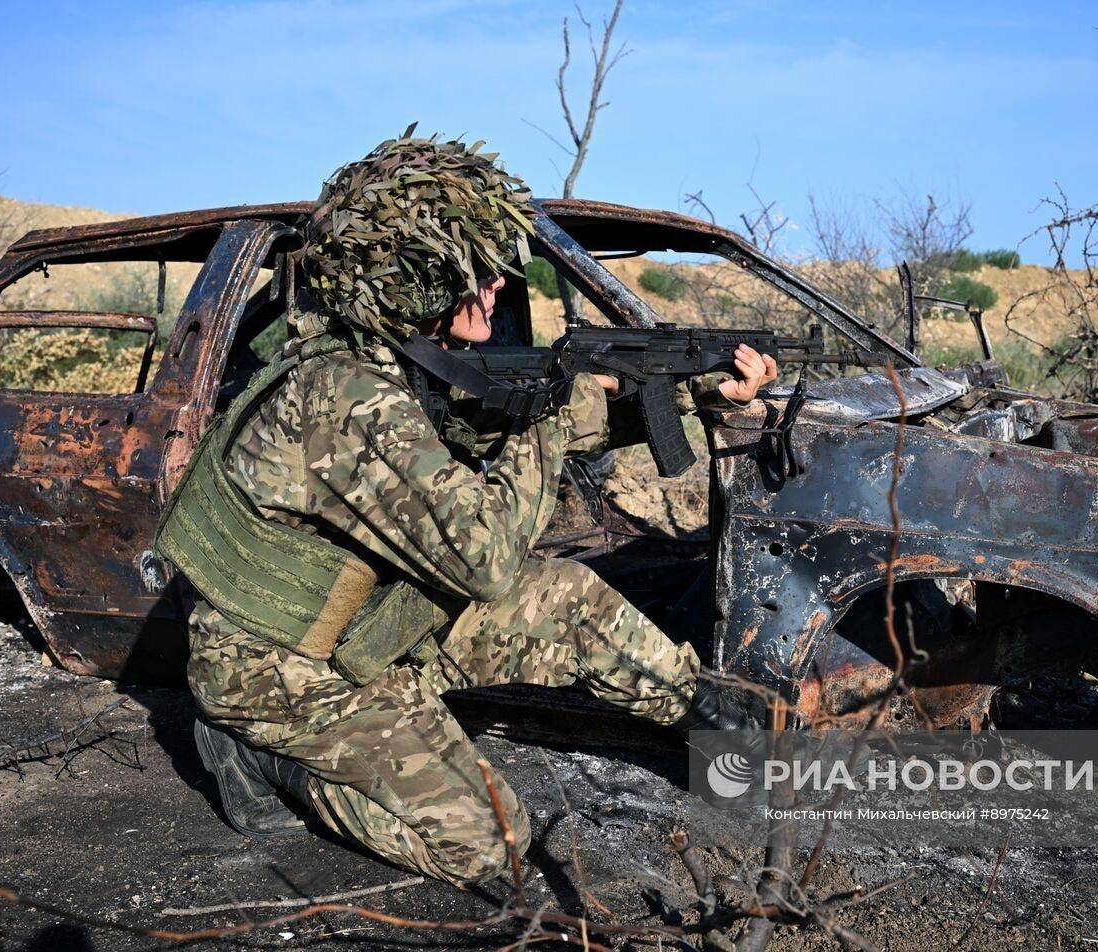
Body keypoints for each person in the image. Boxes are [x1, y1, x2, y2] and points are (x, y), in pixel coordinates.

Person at [155, 131, 776, 885]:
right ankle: (260, 758)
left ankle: (723, 742)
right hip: (280, 674)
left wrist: (699, 391)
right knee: (492, 844)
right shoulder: (346, 399)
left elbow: (525, 426)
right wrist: (546, 418)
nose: (496, 290)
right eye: (478, 274)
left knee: (570, 601)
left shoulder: (384, 362)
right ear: (417, 279)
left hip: (364, 623)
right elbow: (484, 558)